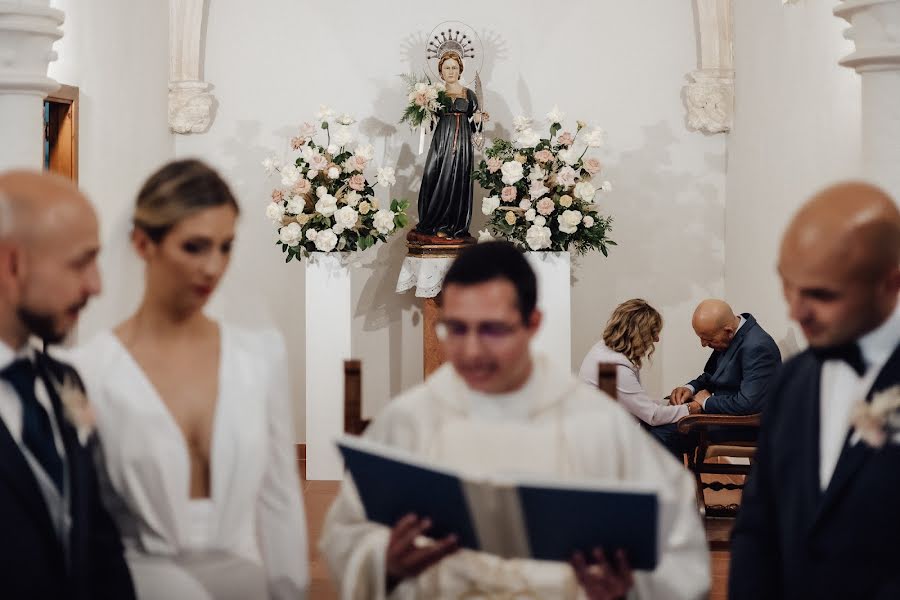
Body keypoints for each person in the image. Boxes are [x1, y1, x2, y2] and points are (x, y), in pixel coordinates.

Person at [320, 242, 709, 599]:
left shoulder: (597, 425)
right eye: (456, 328)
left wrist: (627, 589)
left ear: (533, 323)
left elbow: (680, 551)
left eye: (492, 329)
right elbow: (346, 536)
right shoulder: (410, 420)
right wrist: (385, 563)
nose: (472, 350)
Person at [71, 160, 309, 599]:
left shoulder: (259, 355)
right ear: (144, 243)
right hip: (141, 585)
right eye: (195, 247)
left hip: (249, 584)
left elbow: (279, 499)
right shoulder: (90, 371)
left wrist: (289, 589)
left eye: (225, 247)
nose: (213, 268)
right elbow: (83, 521)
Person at [730, 182, 900, 599]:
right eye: (788, 285)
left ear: (890, 284)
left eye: (821, 295)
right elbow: (758, 527)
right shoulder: (793, 381)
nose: (795, 311)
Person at [0, 171, 135, 599]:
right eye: (81, 262)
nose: (96, 286)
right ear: (13, 264)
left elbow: (96, 534)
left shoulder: (65, 382)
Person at [653, 299, 781, 455]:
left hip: (740, 426)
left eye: (708, 339)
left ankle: (677, 480)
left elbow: (748, 404)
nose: (703, 344)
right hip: (720, 416)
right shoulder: (730, 336)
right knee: (655, 425)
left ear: (728, 331)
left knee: (660, 434)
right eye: (700, 337)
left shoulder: (757, 347)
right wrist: (690, 388)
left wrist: (706, 402)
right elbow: (710, 376)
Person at [579, 298, 689, 426]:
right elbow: (653, 416)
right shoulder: (613, 367)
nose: (657, 339)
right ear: (638, 334)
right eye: (653, 333)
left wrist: (669, 403)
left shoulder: (603, 349)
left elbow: (634, 403)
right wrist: (691, 408)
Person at [413, 50, 486, 239]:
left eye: (454, 67)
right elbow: (428, 124)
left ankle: (453, 224)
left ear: (460, 69)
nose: (451, 71)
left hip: (462, 143)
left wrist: (477, 119)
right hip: (441, 141)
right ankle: (434, 221)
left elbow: (475, 126)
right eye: (447, 68)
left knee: (458, 179)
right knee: (433, 175)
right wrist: (423, 108)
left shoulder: (469, 94)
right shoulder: (435, 94)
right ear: (441, 71)